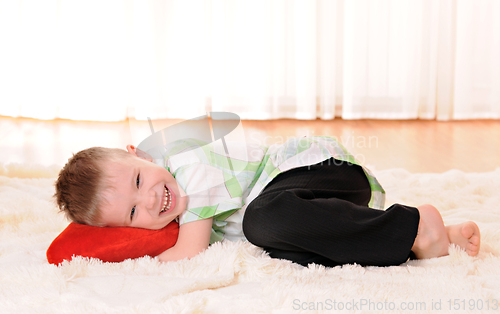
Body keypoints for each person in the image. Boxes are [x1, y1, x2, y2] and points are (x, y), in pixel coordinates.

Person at [54, 136, 480, 267]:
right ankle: (417, 242)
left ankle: (413, 223)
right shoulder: (167, 196)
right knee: (278, 253)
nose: (149, 200)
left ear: (140, 155)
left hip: (323, 172)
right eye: (132, 213)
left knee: (261, 221)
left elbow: (190, 251)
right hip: (316, 210)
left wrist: (130, 262)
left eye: (139, 179)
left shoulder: (190, 167)